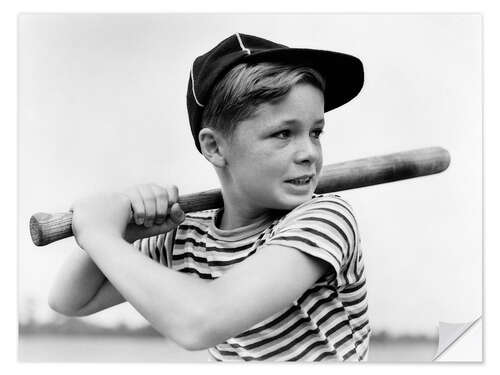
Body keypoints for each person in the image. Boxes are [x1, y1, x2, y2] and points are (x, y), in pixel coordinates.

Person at [48, 33, 370, 362]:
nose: (308, 153)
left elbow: (200, 322)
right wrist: (120, 232)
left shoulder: (325, 218)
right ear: (215, 147)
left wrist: (100, 236)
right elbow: (70, 300)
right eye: (283, 133)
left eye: (315, 132)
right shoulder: (187, 236)